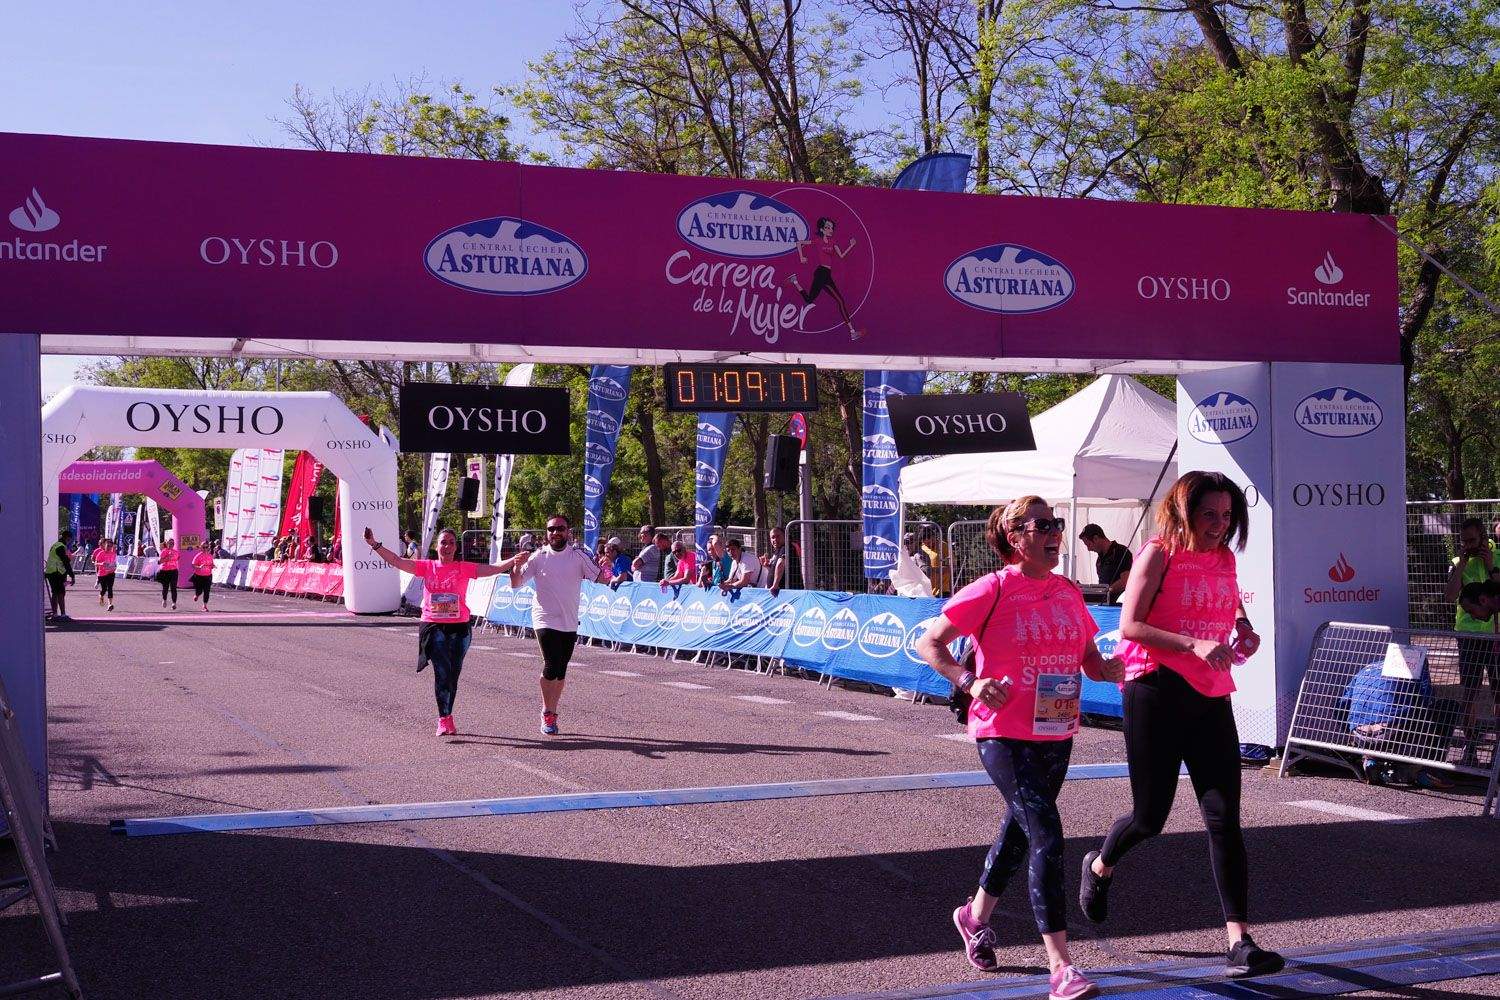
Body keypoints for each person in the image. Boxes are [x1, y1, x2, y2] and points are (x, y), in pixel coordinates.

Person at [916, 496, 1123, 1000]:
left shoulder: (1068, 593)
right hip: (1002, 732)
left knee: (1019, 832)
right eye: (1044, 525)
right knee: (1047, 836)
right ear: (1016, 537)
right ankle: (1062, 967)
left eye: (1058, 524)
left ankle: (973, 917)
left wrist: (1112, 670)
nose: (1056, 533)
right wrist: (970, 680)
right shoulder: (992, 588)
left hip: (1055, 730)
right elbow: (929, 643)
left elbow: (1090, 659)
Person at [1078, 470, 1282, 980]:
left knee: (1224, 820)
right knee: (1150, 818)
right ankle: (1099, 866)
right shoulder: (1158, 552)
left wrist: (1244, 630)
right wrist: (1193, 644)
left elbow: (1229, 604)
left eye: (1228, 516)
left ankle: (1239, 939)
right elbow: (1130, 626)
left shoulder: (1226, 558)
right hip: (1155, 692)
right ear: (1186, 512)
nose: (1219, 526)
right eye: (1209, 515)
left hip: (1211, 695)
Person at [365, 525, 521, 736]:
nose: (447, 546)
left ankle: (448, 714)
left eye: (451, 543)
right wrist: (374, 544)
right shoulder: (427, 567)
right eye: (443, 542)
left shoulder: (464, 568)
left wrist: (514, 561)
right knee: (442, 671)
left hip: (460, 627)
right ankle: (444, 719)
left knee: (453, 674)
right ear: (437, 546)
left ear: (456, 547)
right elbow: (397, 561)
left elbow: (493, 569)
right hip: (433, 625)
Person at [510, 514, 611, 736]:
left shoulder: (578, 557)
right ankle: (547, 712)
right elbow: (517, 584)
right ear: (546, 532)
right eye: (551, 529)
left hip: (569, 621)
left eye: (560, 529)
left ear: (568, 532)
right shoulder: (538, 557)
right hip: (544, 618)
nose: (556, 533)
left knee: (561, 670)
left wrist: (608, 567)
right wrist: (516, 568)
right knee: (551, 664)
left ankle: (552, 709)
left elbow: (602, 579)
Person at [1445, 517, 1499, 764]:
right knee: (1470, 692)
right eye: (1464, 541)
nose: (1468, 545)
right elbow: (1450, 596)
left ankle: (1498, 747)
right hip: (1469, 636)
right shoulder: (1458, 562)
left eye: (1473, 541)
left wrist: (1490, 566)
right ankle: (1470, 747)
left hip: (1496, 635)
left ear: (1483, 538)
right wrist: (1461, 564)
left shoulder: (1496, 556)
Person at [786, 216, 862, 340]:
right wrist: (801, 257)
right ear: (822, 229)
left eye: (831, 227)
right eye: (827, 227)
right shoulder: (818, 240)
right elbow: (799, 243)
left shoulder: (833, 242)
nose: (830, 229)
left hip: (825, 274)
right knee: (840, 301)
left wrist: (851, 245)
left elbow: (841, 256)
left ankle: (794, 281)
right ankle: (852, 332)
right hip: (822, 273)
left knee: (810, 300)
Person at [1079, 524, 1133, 604]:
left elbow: (1125, 581)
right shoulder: (1099, 560)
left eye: (1089, 544)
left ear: (1096, 538)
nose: (1088, 549)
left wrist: (1106, 591)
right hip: (1104, 605)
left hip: (1119, 606)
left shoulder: (1121, 551)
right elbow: (1102, 584)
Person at [44, 529, 77, 622]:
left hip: (51, 572)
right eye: (70, 539)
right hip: (56, 572)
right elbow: (65, 562)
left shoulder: (55, 545)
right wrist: (72, 575)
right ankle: (62, 614)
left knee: (55, 592)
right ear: (67, 538)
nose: (70, 541)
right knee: (61, 593)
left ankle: (55, 614)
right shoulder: (61, 547)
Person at [91, 537, 118, 612]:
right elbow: (96, 563)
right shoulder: (101, 553)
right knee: (104, 589)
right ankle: (101, 596)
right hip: (102, 574)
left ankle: (110, 604)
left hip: (111, 572)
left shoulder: (113, 554)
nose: (109, 547)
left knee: (110, 588)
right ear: (104, 545)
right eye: (107, 546)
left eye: (110, 546)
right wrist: (101, 563)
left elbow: (115, 562)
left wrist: (114, 566)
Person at [762, 526, 790, 597]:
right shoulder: (777, 550)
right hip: (776, 592)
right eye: (773, 537)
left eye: (778, 536)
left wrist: (775, 585)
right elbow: (775, 570)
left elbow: (781, 563)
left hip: (784, 592)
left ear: (785, 536)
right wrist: (767, 566)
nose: (775, 539)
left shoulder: (785, 548)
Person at [156, 538, 181, 610]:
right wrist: (166, 558)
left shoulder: (176, 552)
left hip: (174, 571)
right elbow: (159, 562)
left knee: (173, 587)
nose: (171, 544)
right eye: (170, 543)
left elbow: (178, 558)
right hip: (165, 571)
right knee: (165, 587)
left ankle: (174, 603)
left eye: (173, 543)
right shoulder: (164, 551)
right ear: (167, 544)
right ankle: (164, 600)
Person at [188, 545, 215, 611]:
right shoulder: (198, 556)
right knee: (199, 591)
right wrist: (199, 567)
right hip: (199, 576)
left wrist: (213, 566)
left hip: (208, 575)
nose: (205, 549)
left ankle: (204, 606)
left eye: (206, 547)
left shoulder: (210, 556)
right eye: (203, 547)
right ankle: (197, 595)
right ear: (201, 548)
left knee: (207, 591)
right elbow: (193, 565)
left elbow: (211, 564)